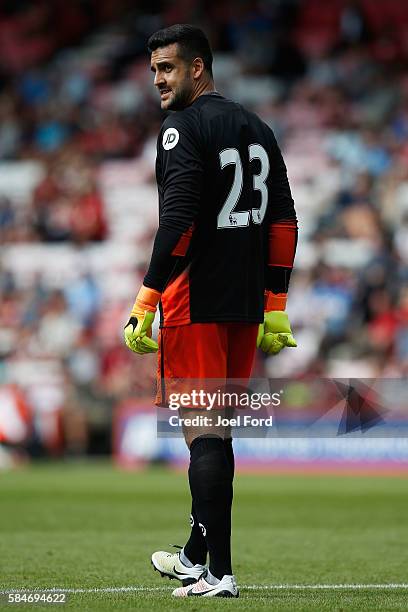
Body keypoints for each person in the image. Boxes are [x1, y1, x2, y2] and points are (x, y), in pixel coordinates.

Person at [124, 23, 298, 598]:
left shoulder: (182, 129)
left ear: (198, 69)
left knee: (204, 435)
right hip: (244, 305)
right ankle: (198, 556)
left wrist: (147, 296)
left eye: (167, 69)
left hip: (195, 300)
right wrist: (275, 303)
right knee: (217, 433)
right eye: (153, 71)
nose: (158, 81)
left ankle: (219, 573)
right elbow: (283, 223)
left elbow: (178, 220)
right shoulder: (259, 128)